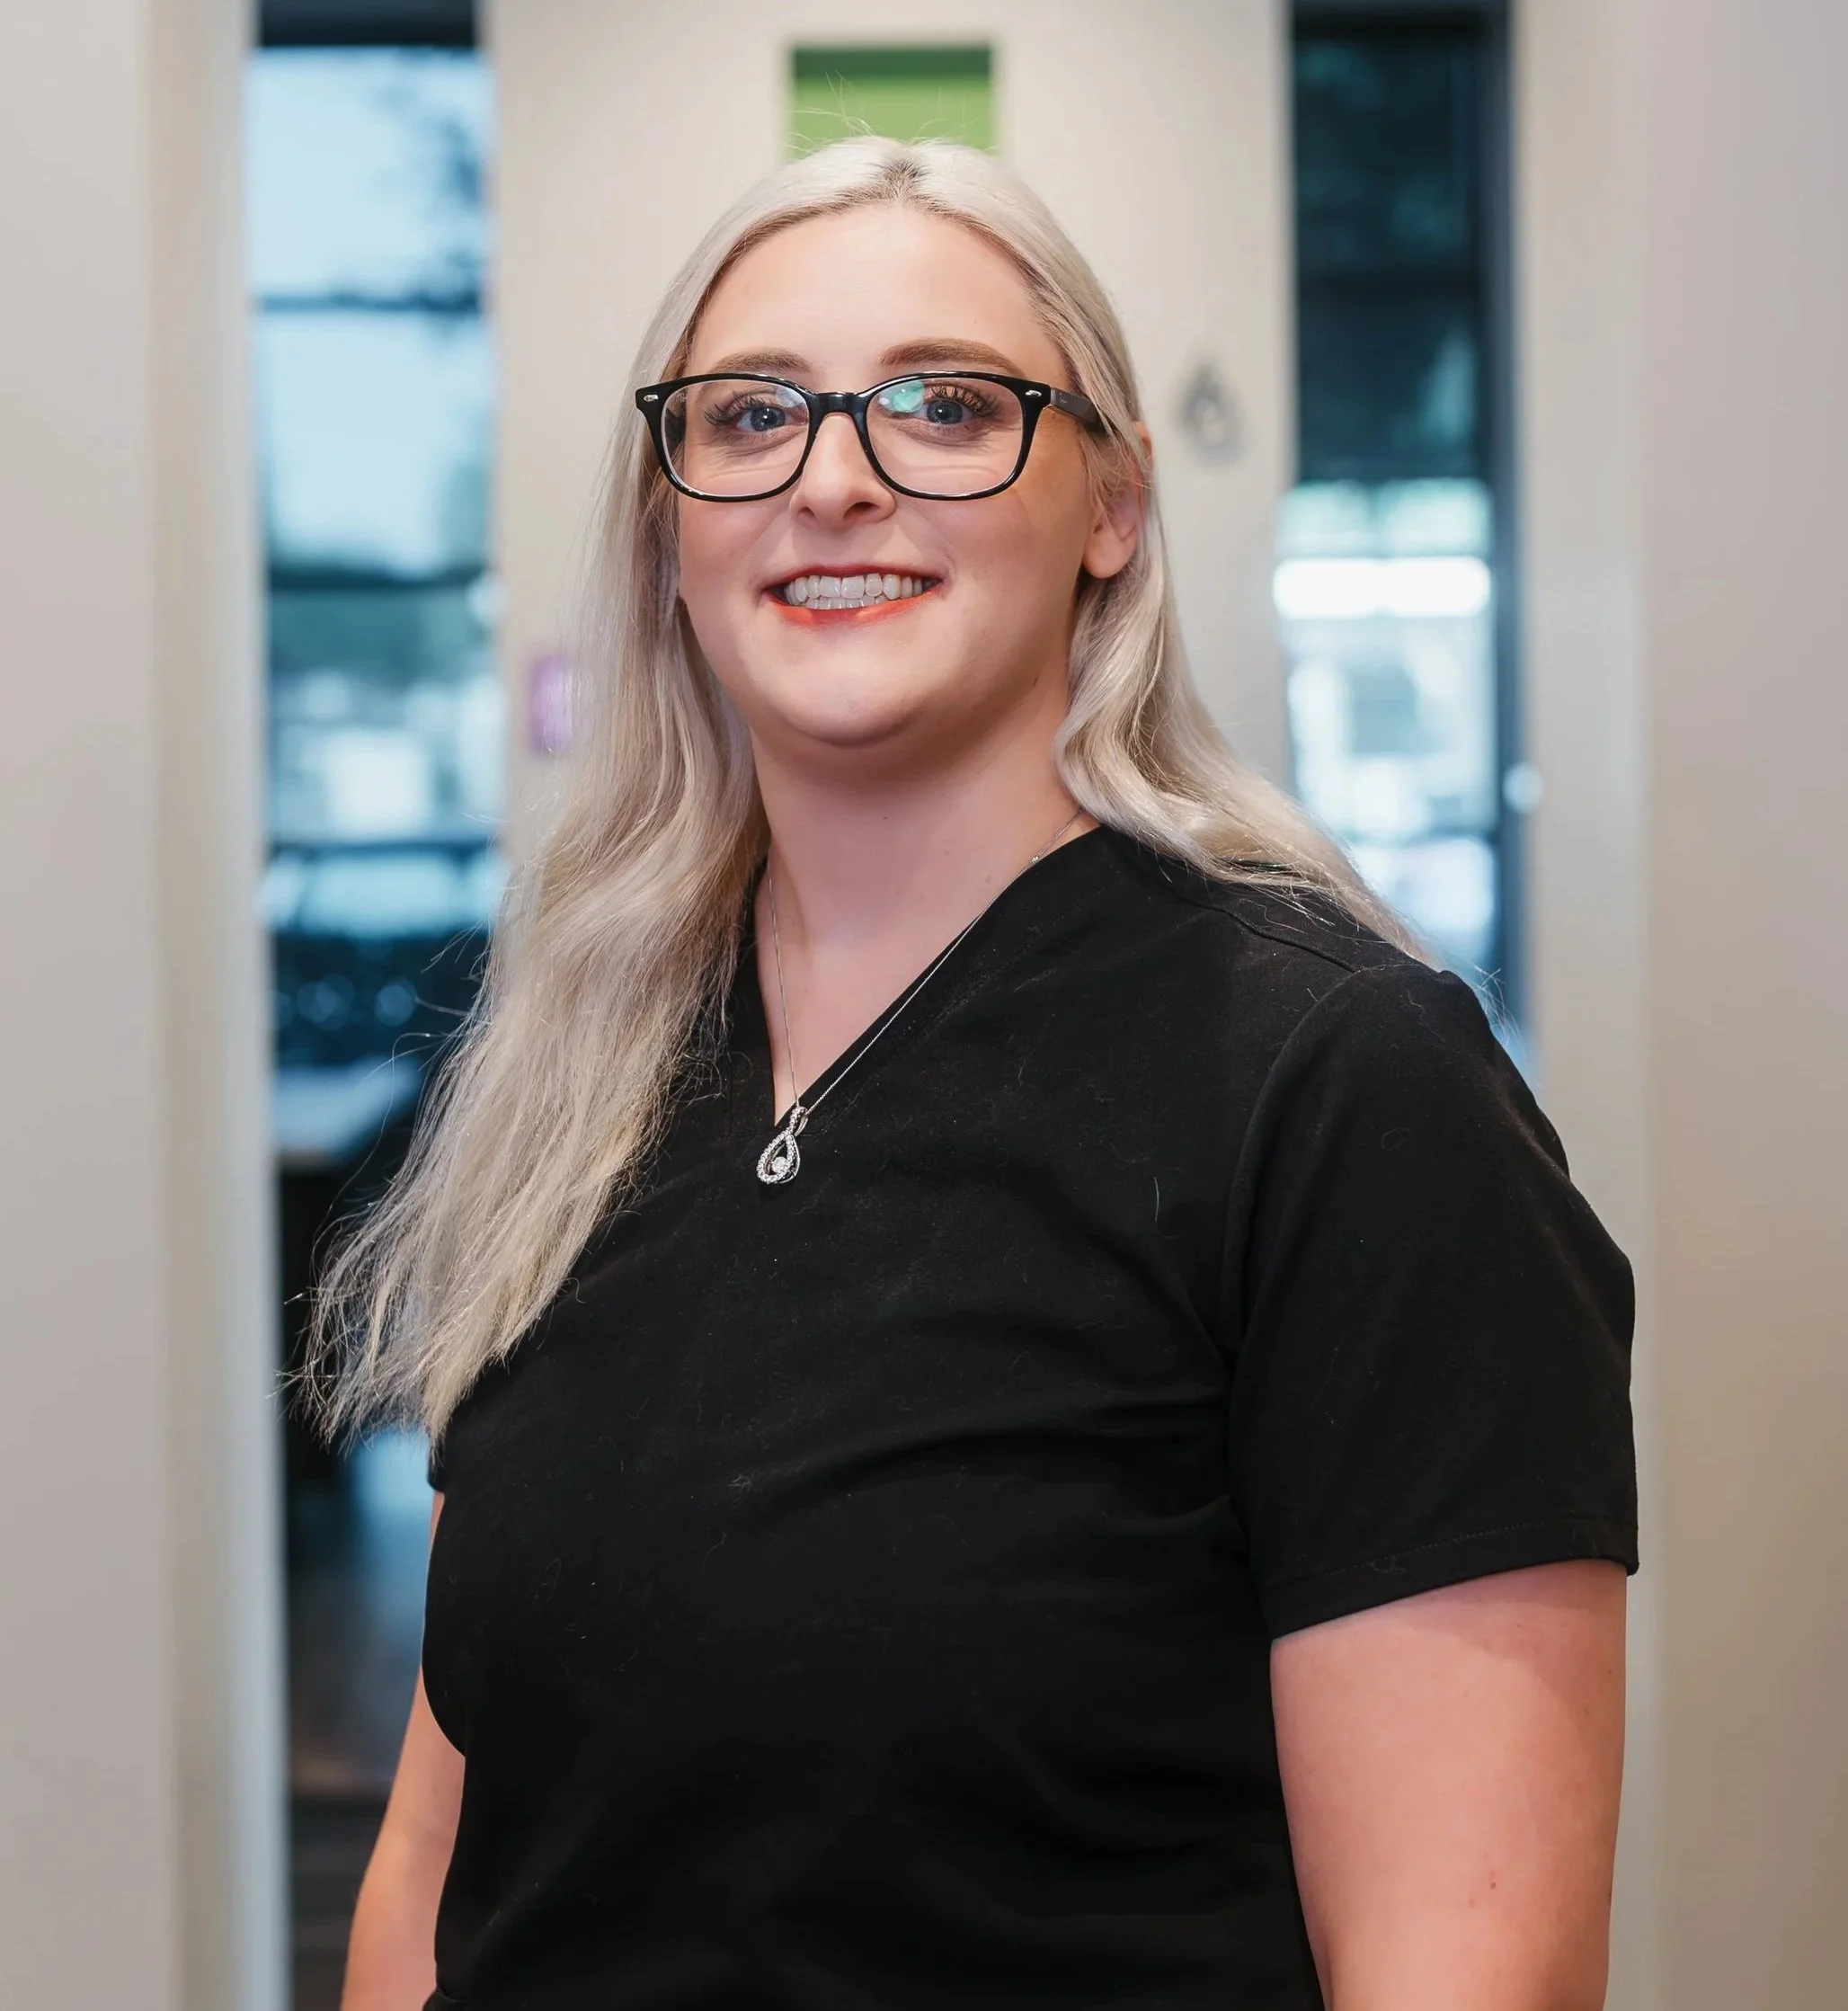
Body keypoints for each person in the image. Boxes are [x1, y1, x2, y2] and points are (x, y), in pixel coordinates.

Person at [314, 138, 1637, 2011]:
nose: (832, 477)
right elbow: (443, 1854)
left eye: (945, 405)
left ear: (1110, 498)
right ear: (668, 522)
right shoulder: (577, 1072)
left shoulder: (1337, 1081)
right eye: (749, 413)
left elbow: (1461, 1961)